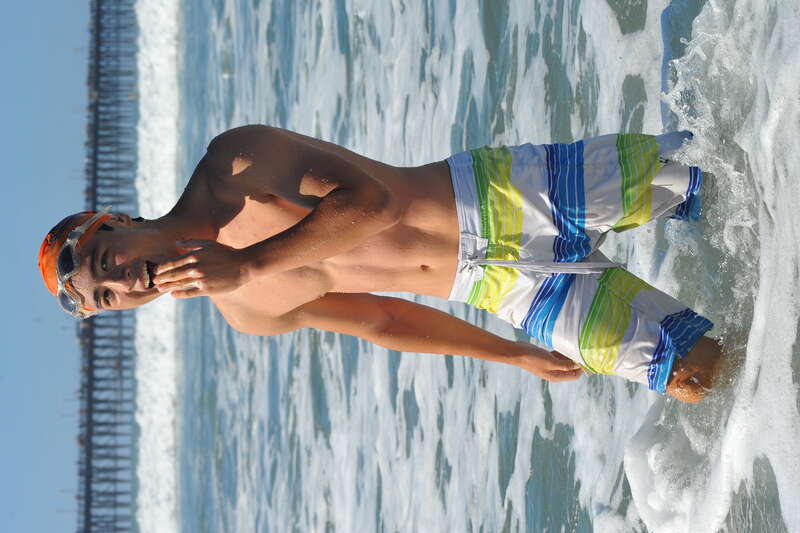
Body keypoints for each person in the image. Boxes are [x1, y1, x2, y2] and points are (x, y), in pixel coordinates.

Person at [38, 125, 723, 402]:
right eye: (105, 296)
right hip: (499, 289)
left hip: (496, 198)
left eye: (106, 257)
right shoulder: (245, 313)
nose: (121, 280)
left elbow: (376, 202)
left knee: (704, 182)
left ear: (118, 221)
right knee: (693, 372)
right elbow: (383, 320)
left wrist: (246, 264)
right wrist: (509, 355)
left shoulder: (233, 167)